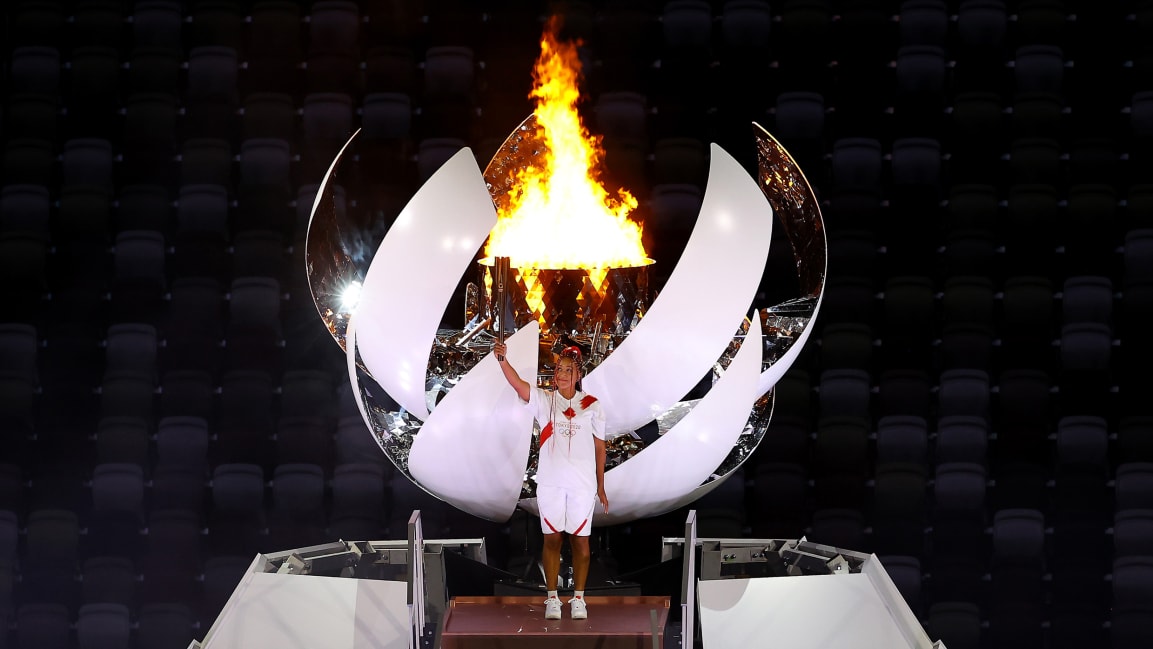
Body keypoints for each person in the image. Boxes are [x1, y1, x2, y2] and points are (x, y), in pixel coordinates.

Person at [493, 340, 609, 620]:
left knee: (581, 542)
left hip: (582, 485)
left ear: (578, 375)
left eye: (568, 370)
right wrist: (502, 361)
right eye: (558, 369)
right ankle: (553, 598)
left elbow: (599, 447)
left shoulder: (592, 405)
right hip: (551, 483)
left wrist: (601, 486)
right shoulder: (545, 401)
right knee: (552, 539)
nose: (562, 374)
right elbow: (519, 385)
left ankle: (579, 598)